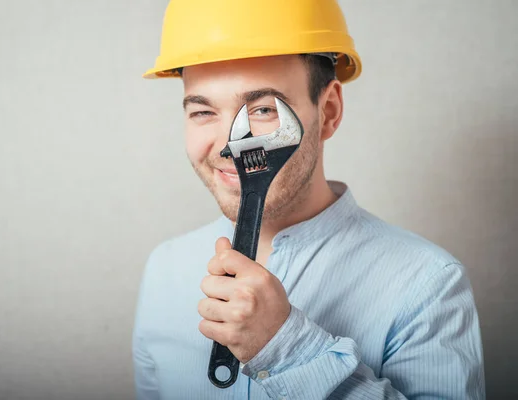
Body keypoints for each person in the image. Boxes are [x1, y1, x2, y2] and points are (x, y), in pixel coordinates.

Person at [132, 0, 486, 399]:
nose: (231, 146)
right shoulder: (164, 270)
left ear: (329, 111)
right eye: (202, 112)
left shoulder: (428, 284)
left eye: (263, 108)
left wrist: (286, 348)